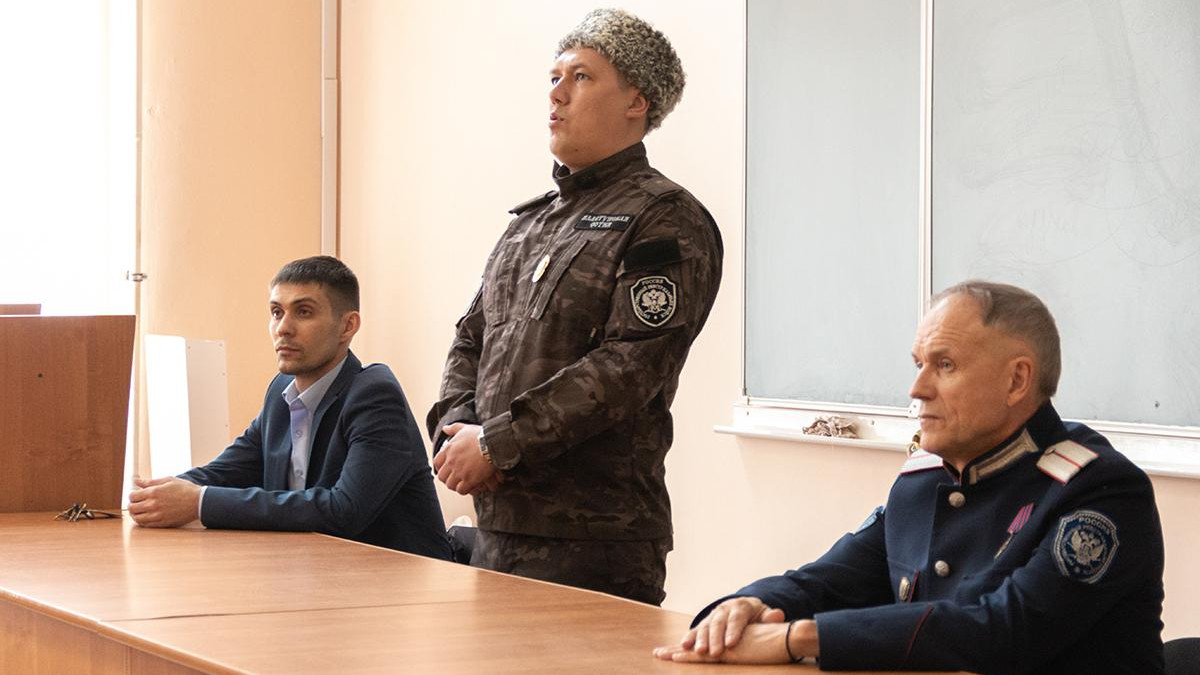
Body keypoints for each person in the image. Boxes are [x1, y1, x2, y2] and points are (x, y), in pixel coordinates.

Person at [654, 280, 1164, 674]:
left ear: (1017, 380)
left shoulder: (1101, 490)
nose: (917, 388)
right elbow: (827, 579)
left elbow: (1003, 632)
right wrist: (746, 607)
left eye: (945, 365)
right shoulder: (923, 480)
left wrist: (802, 638)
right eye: (918, 364)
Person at [427, 8, 723, 605]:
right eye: (554, 77)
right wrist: (456, 429)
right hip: (498, 528)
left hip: (595, 542)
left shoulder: (664, 218)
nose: (556, 94)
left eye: (581, 77)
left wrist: (497, 445)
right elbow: (471, 340)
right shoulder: (528, 224)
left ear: (636, 101)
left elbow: (629, 366)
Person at [129, 256, 452, 560]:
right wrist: (159, 494)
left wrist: (198, 502)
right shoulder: (281, 392)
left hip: (398, 585)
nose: (283, 328)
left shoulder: (375, 395)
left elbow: (344, 510)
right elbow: (230, 470)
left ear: (347, 326)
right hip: (313, 572)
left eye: (304, 312)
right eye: (276, 312)